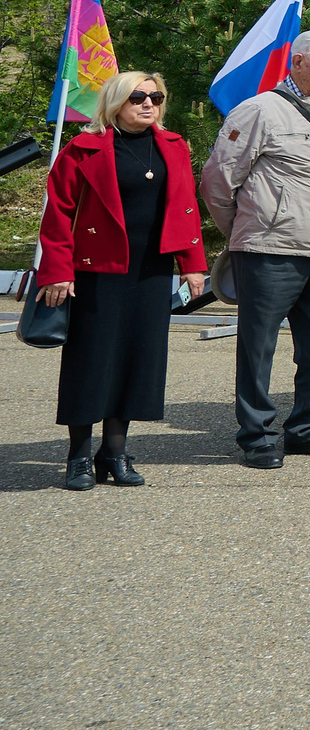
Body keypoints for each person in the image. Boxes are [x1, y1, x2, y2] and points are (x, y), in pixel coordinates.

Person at [35, 69, 208, 489]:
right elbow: (57, 214)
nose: (149, 104)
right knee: (91, 362)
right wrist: (57, 271)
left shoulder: (173, 146)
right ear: (115, 103)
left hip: (152, 271)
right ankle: (78, 456)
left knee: (136, 359)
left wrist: (192, 263)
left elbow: (185, 208)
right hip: (95, 271)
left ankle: (114, 452)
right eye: (138, 97)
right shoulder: (83, 149)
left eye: (156, 97)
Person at [201, 28, 310, 468]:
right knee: (258, 348)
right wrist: (248, 232)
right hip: (269, 251)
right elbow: (217, 181)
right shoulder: (259, 110)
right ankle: (257, 435)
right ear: (298, 62)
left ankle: (307, 429)